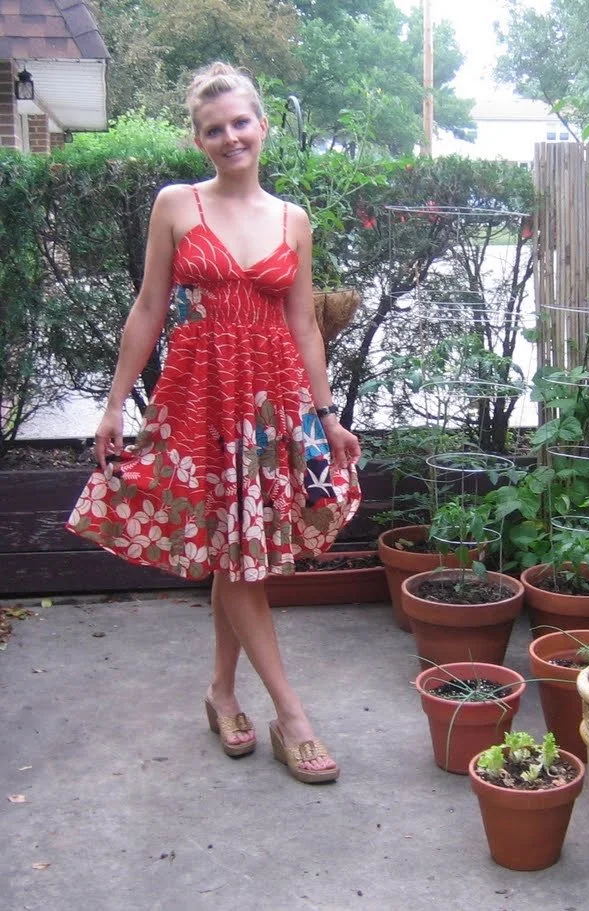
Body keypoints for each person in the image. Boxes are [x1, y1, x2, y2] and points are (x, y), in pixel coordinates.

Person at [66, 62, 361, 784]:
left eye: (240, 122)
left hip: (270, 401)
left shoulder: (292, 219)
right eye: (213, 128)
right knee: (235, 548)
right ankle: (290, 712)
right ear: (198, 140)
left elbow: (304, 325)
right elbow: (148, 308)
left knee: (241, 547)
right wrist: (114, 403)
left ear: (262, 126)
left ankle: (222, 692)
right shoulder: (176, 205)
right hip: (200, 396)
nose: (230, 136)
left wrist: (326, 416)